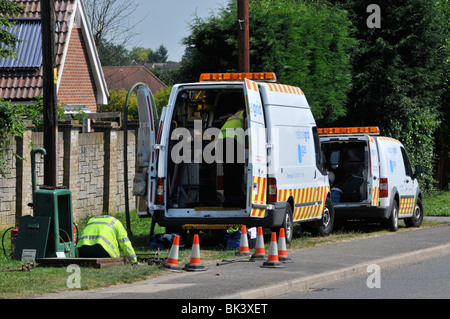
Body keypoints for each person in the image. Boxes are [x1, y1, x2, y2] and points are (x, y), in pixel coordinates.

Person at [218, 109, 246, 207]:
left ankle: (229, 199)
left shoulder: (234, 115)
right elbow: (247, 125)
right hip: (232, 140)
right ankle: (237, 199)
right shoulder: (246, 111)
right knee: (236, 170)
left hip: (222, 140)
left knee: (228, 171)